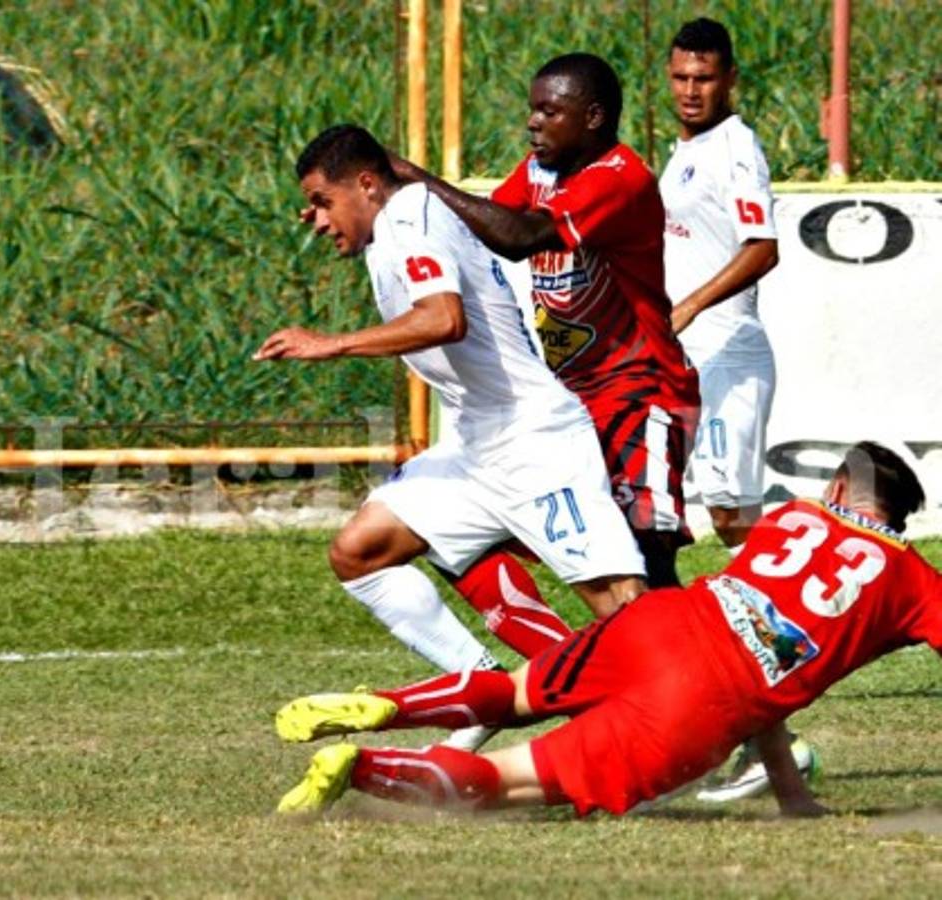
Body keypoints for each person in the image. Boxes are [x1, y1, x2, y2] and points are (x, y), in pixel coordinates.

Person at [274, 442, 936, 819]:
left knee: (510, 692)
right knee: (499, 781)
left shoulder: (793, 519)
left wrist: (790, 792)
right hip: (704, 702)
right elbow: (772, 660)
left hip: (660, 622)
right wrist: (792, 798)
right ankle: (364, 767)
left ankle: (389, 702)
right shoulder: (912, 581)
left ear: (839, 489)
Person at [256, 124, 648, 748]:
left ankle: (741, 733)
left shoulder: (410, 214)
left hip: (533, 442)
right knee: (360, 552)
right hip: (475, 447)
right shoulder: (391, 226)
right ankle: (482, 687)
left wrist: (331, 344)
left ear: (365, 185)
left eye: (324, 201)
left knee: (625, 609)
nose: (317, 219)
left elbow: (444, 318)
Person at [384, 53, 700, 666]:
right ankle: (568, 672)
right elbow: (481, 225)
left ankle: (743, 715)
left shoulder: (620, 176)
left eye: (549, 111)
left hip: (641, 393)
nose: (533, 122)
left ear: (594, 118)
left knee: (646, 558)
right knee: (470, 530)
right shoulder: (539, 170)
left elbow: (520, 236)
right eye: (533, 108)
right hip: (570, 400)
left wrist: (416, 179)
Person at [658, 17, 795, 803]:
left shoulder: (736, 146)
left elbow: (760, 247)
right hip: (690, 360)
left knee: (732, 524)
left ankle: (795, 620)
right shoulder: (686, 151)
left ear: (729, 80)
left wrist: (687, 307)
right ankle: (763, 667)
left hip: (726, 360)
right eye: (679, 77)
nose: (689, 91)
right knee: (713, 520)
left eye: (703, 78)